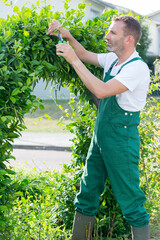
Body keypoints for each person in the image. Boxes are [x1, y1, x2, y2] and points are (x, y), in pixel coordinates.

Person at [47, 15, 150, 240]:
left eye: (113, 32)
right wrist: (64, 34)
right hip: (101, 135)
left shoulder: (137, 68)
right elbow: (83, 54)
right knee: (87, 191)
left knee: (131, 199)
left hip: (121, 138)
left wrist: (74, 61)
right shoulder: (113, 60)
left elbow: (102, 90)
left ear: (129, 39)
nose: (107, 36)